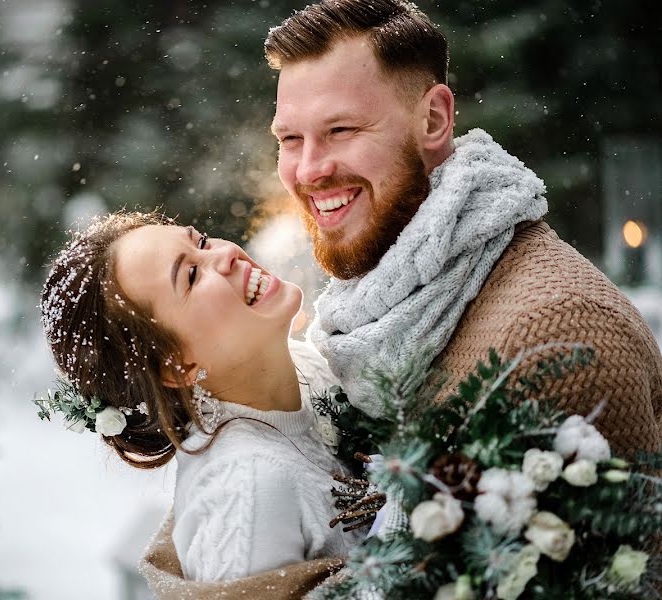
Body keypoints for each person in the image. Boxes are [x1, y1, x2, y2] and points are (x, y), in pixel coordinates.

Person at [141, 0, 662, 596]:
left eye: (341, 130)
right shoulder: (375, 303)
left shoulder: (549, 339)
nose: (308, 171)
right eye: (289, 138)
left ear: (435, 119)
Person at [40, 212, 391, 599]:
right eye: (190, 275)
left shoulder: (307, 364)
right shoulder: (245, 490)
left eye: (201, 241)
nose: (224, 255)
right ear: (176, 366)